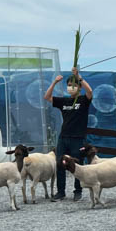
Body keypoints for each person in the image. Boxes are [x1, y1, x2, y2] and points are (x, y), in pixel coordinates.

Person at [44, 67, 94, 202]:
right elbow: (47, 97)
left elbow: (90, 91)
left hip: (78, 139)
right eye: (69, 85)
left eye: (74, 85)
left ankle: (78, 191)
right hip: (63, 137)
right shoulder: (64, 101)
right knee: (60, 164)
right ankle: (61, 192)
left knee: (77, 165)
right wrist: (54, 82)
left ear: (79, 87)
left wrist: (79, 77)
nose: (71, 87)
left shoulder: (83, 100)